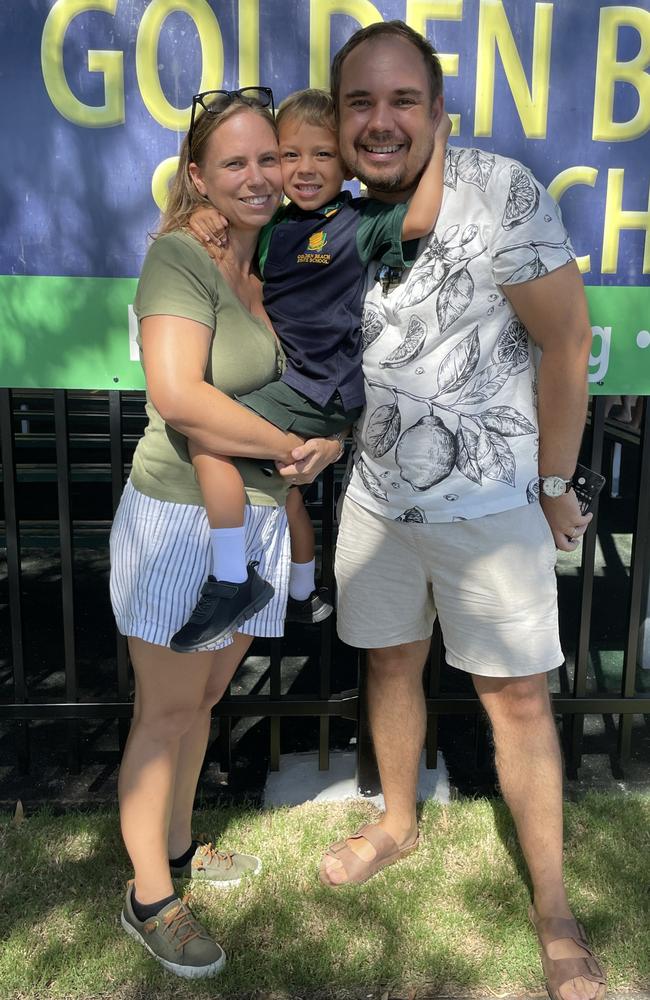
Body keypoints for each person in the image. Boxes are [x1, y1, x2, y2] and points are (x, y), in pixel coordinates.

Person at [322, 21, 607, 1000]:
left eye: (402, 99)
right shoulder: (325, 203)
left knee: (517, 699)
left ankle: (554, 908)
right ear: (337, 114)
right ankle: (397, 822)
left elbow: (565, 345)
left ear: (437, 111)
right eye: (360, 100)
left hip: (492, 507)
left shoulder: (500, 193)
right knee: (389, 662)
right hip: (374, 501)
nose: (380, 119)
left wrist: (553, 485)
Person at [109, 89, 340, 979]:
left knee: (201, 703)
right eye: (236, 162)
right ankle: (148, 898)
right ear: (197, 175)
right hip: (179, 522)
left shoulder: (266, 260)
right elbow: (177, 395)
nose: (259, 177)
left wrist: (319, 444)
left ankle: (175, 848)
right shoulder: (181, 257)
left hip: (251, 517)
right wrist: (289, 444)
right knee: (164, 711)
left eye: (270, 160)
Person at [172, 88, 451, 653]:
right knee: (289, 492)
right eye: (288, 154)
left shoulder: (358, 220)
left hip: (319, 388)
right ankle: (303, 594)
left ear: (348, 165)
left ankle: (231, 579)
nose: (304, 168)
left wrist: (438, 140)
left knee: (206, 437)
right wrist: (203, 214)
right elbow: (226, 225)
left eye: (322, 155)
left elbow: (420, 217)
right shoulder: (272, 224)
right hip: (295, 383)